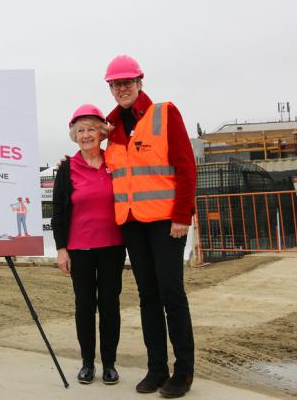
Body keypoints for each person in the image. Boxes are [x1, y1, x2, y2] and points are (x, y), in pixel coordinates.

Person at [103, 55, 196, 398]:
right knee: (147, 296)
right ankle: (156, 368)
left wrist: (182, 216)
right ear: (110, 89)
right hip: (131, 223)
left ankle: (183, 372)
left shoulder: (164, 114)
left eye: (128, 82)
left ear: (140, 82)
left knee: (172, 292)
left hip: (165, 222)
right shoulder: (109, 130)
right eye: (116, 84)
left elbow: (186, 166)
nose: (123, 88)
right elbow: (101, 168)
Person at [52, 104, 126, 386]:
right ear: (74, 135)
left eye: (92, 129)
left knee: (110, 305)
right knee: (84, 306)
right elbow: (58, 211)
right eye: (80, 130)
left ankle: (109, 364)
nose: (86, 135)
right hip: (79, 249)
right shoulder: (67, 168)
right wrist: (61, 248)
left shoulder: (115, 162)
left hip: (113, 246)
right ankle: (87, 363)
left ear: (102, 133)